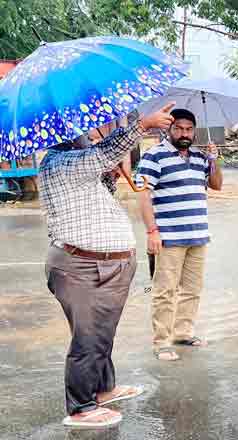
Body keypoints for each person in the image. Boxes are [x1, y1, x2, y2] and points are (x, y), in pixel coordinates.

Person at [40, 103, 176, 428]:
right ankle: (81, 408)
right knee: (88, 339)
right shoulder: (61, 162)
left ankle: (103, 389)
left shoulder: (76, 164)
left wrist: (110, 177)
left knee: (100, 334)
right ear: (68, 137)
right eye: (84, 135)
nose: (90, 137)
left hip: (99, 266)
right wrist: (142, 124)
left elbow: (95, 198)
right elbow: (104, 153)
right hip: (83, 267)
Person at [136, 109, 223, 362]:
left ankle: (183, 333)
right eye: (179, 128)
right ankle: (161, 342)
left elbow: (216, 185)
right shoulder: (154, 155)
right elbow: (143, 194)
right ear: (169, 129)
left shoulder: (200, 157)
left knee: (192, 289)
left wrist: (214, 160)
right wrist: (152, 231)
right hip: (169, 237)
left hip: (198, 235)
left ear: (194, 131)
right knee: (165, 291)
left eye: (188, 129)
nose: (184, 134)